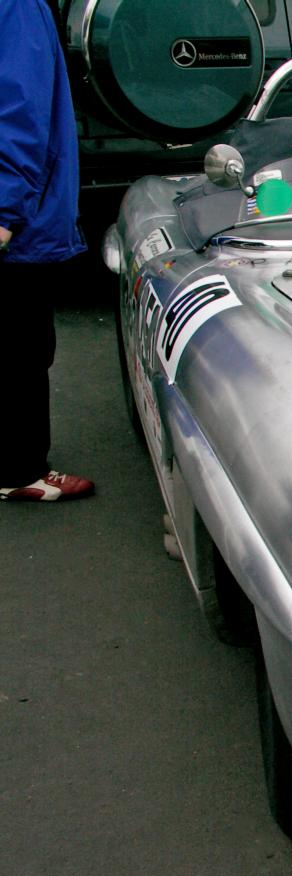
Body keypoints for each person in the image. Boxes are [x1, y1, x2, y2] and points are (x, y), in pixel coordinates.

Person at [0, 0, 93, 502]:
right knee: (21, 345)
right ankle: (19, 471)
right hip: (18, 220)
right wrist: (4, 209)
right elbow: (19, 107)